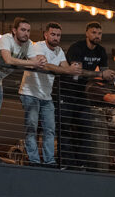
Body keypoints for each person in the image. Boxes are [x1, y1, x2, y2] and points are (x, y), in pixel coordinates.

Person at [0, 17, 46, 162]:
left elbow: (33, 63)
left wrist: (40, 60)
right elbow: (8, 60)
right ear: (14, 31)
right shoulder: (5, 39)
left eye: (28, 31)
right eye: (23, 30)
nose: (26, 34)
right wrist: (33, 62)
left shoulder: (28, 45)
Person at [19, 21, 80, 166]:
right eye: (53, 34)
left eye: (58, 35)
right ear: (45, 34)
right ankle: (33, 160)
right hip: (30, 92)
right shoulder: (37, 46)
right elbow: (45, 66)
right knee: (32, 126)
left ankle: (49, 160)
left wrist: (72, 69)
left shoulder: (60, 51)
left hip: (46, 96)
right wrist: (68, 70)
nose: (56, 38)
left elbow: (66, 68)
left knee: (50, 129)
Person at [60, 21, 109, 167]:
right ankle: (67, 162)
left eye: (99, 33)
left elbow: (105, 74)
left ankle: (80, 163)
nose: (97, 36)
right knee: (64, 128)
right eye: (94, 32)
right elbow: (77, 71)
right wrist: (100, 73)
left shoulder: (101, 50)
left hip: (81, 93)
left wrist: (113, 76)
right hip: (66, 91)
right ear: (87, 33)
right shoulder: (77, 48)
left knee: (86, 127)